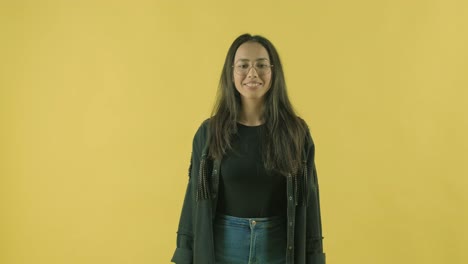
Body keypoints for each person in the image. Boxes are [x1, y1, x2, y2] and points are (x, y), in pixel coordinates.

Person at [171, 33, 326, 264]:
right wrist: (185, 252)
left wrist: (314, 256)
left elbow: (310, 201)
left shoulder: (296, 132)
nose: (252, 73)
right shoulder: (209, 132)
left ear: (274, 71)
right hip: (222, 249)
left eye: (261, 65)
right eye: (243, 65)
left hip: (278, 249)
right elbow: (195, 196)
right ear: (231, 72)